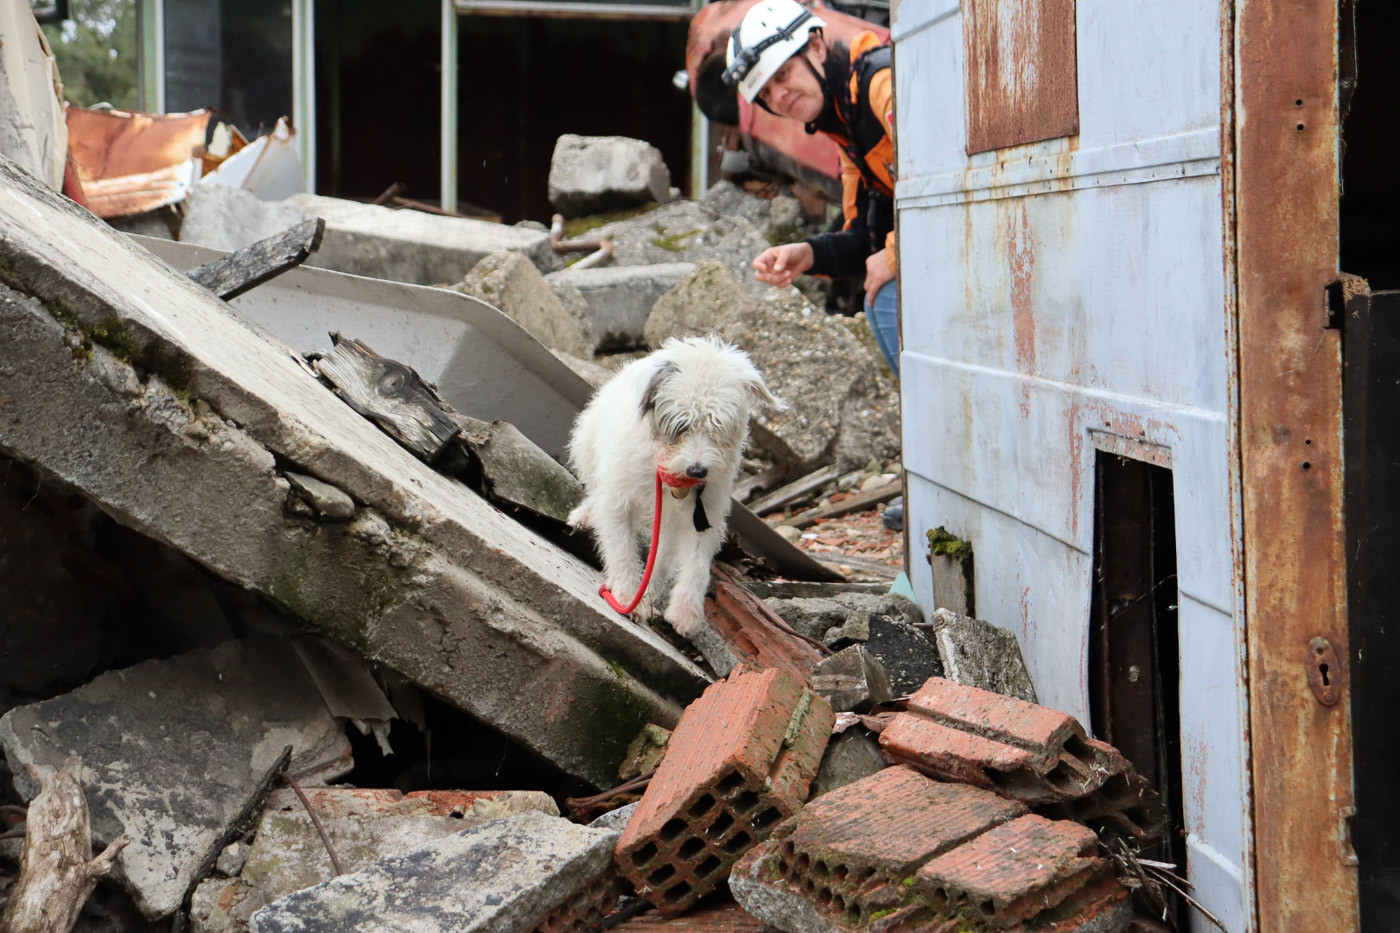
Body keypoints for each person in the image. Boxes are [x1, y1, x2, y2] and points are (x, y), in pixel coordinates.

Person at [724, 0, 900, 375]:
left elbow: (950, 187)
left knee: (886, 300)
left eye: (783, 73)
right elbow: (865, 237)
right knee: (879, 298)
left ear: (816, 46)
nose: (779, 95)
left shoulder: (882, 84)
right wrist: (807, 255)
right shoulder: (847, 126)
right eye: (765, 93)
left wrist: (898, 253)